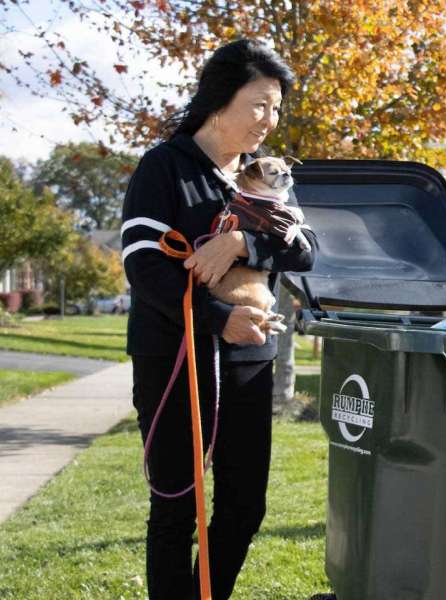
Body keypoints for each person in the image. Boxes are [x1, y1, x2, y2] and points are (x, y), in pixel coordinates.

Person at [120, 39, 317, 600]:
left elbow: (304, 251)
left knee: (244, 503)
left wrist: (239, 242)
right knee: (176, 505)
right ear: (218, 99)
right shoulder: (166, 167)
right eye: (259, 104)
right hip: (174, 356)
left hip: (249, 359)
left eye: (276, 108)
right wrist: (216, 317)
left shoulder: (268, 177)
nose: (269, 120)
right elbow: (142, 264)